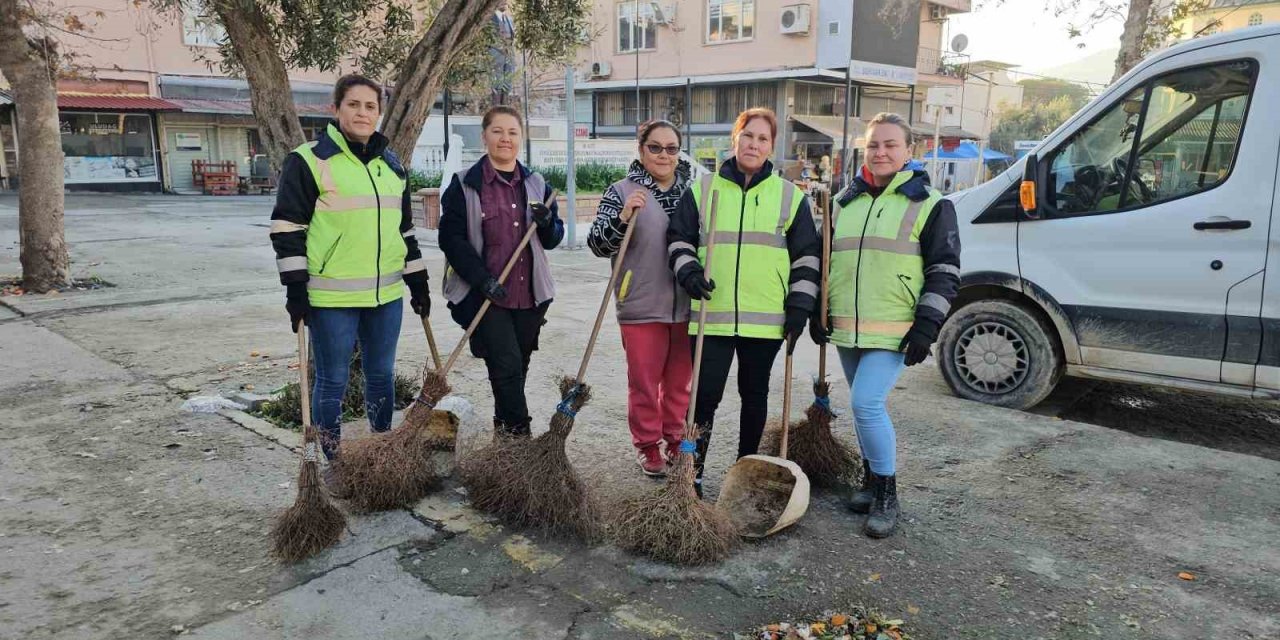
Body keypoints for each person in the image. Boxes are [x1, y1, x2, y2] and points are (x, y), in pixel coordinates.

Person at [268, 74, 431, 489]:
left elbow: (404, 231)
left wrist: (419, 283)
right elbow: (287, 229)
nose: (362, 113)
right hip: (331, 297)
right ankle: (334, 460)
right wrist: (295, 291)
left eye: (370, 106)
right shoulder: (308, 161)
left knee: (381, 376)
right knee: (333, 380)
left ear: (379, 113)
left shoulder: (392, 166)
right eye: (353, 104)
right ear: (336, 109)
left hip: (385, 296)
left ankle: (380, 451)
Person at [812, 112, 961, 538]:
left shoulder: (930, 204)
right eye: (874, 144)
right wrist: (817, 311)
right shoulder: (844, 202)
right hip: (847, 326)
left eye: (891, 144)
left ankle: (887, 495)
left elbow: (945, 270)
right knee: (863, 407)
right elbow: (826, 263)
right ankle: (870, 481)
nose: (881, 152)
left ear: (909, 150)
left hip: (895, 328)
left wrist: (927, 324)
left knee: (866, 404)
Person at [666, 107, 821, 497]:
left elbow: (807, 257)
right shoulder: (703, 189)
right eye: (748, 135)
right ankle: (691, 473)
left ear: (772, 146)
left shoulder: (789, 197)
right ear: (735, 138)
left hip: (765, 320)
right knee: (703, 399)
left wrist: (799, 307)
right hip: (711, 316)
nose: (754, 144)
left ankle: (746, 474)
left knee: (754, 398)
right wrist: (688, 271)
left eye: (763, 138)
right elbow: (679, 238)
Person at [438, 105, 564, 439]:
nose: (505, 138)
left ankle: (504, 434)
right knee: (506, 365)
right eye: (497, 131)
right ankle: (520, 441)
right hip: (486, 294)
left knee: (516, 367)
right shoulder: (464, 184)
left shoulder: (537, 183)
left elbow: (553, 239)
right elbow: (451, 239)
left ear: (521, 138)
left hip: (530, 295)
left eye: (512, 132)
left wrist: (547, 223)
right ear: (484, 136)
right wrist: (482, 280)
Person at [588, 119, 694, 477]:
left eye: (671, 148)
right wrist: (621, 217)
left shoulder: (692, 193)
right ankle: (648, 445)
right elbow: (598, 244)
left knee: (679, 383)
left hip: (687, 305)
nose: (664, 155)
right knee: (645, 383)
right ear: (641, 149)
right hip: (641, 304)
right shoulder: (621, 191)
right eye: (655, 147)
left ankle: (676, 438)